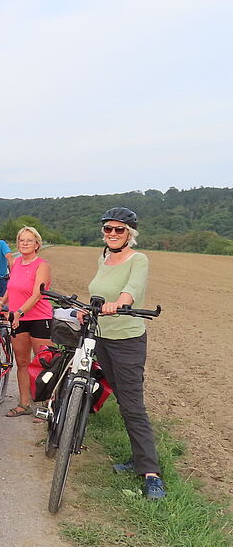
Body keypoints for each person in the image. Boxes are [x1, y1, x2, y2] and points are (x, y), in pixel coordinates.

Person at [89, 208, 165, 499]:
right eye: (108, 229)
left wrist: (119, 303)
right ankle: (138, 457)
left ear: (130, 233)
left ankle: (151, 473)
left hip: (126, 340)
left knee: (133, 404)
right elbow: (99, 289)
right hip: (100, 336)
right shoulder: (104, 257)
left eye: (119, 230)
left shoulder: (138, 259)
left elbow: (131, 289)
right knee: (120, 397)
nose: (112, 234)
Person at [0, 226, 52, 418]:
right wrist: (1, 303)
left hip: (39, 318)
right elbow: (12, 287)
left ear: (37, 244)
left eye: (29, 240)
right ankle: (24, 403)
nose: (25, 243)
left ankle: (47, 406)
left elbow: (37, 294)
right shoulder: (17, 263)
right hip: (17, 318)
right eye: (21, 240)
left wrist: (19, 312)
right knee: (22, 362)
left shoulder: (42, 265)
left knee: (43, 362)